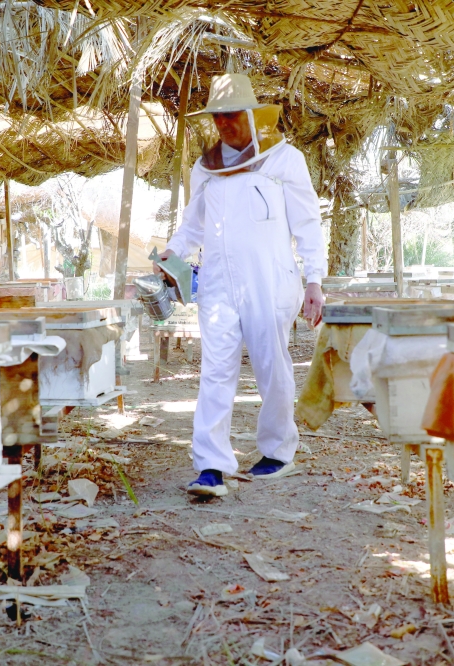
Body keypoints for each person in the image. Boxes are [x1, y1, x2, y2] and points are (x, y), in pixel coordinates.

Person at [155, 73, 327, 497]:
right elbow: (193, 226)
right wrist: (171, 254)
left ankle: (278, 452)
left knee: (272, 366)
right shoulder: (205, 168)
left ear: (252, 115)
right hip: (217, 284)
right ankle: (211, 466)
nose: (223, 124)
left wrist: (314, 281)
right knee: (215, 372)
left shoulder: (285, 160)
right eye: (217, 117)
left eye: (231, 115)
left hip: (270, 281)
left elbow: (308, 223)